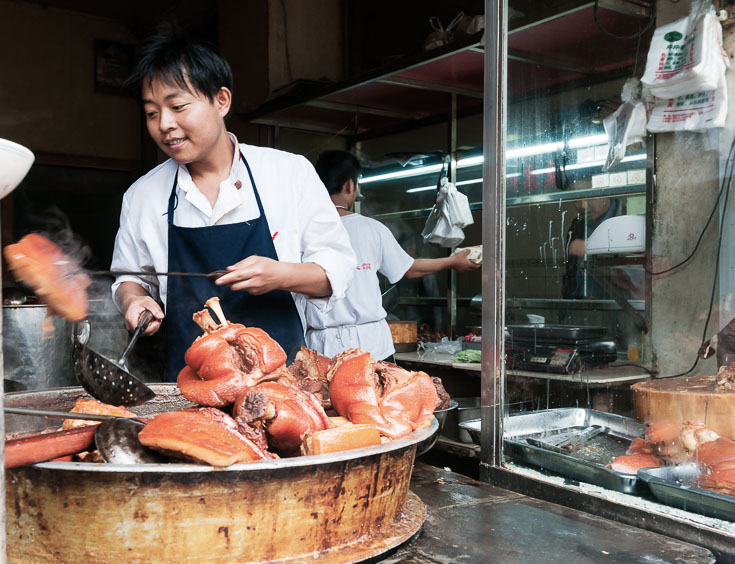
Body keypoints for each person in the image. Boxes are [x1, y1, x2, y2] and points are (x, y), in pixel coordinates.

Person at [110, 30, 356, 381]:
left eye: (178, 107)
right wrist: (133, 300)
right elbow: (129, 278)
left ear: (221, 101)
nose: (165, 125)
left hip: (284, 381)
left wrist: (279, 274)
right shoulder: (143, 195)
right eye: (152, 113)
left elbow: (337, 271)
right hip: (190, 384)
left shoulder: (288, 172)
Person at [305, 150, 480, 362]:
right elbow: (409, 268)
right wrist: (453, 261)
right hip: (371, 346)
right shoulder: (371, 229)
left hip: (321, 347)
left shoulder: (303, 230)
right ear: (350, 185)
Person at [562, 197, 621, 299]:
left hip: (620, 308)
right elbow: (571, 277)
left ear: (605, 193)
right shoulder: (577, 227)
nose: (583, 206)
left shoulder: (628, 216)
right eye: (576, 200)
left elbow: (636, 276)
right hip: (581, 306)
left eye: (589, 197)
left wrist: (593, 247)